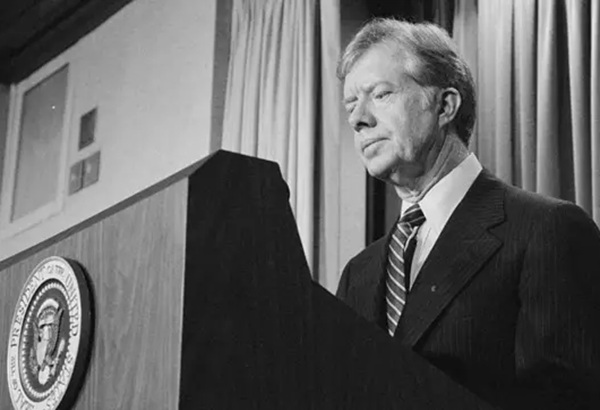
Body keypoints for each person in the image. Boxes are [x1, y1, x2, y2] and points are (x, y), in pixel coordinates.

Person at [335, 18, 600, 409]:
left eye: (380, 94)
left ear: (445, 106)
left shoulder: (546, 229)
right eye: (351, 105)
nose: (358, 119)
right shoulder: (358, 274)